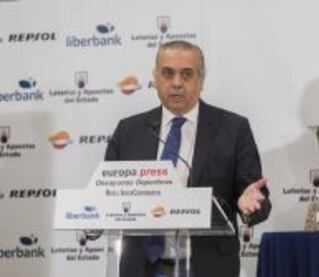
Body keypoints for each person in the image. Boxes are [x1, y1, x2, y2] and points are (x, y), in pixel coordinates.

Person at [105, 40, 271, 277]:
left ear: (201, 80)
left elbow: (258, 197)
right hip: (140, 266)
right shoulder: (128, 130)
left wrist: (249, 207)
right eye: (167, 73)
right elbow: (107, 196)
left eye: (186, 74)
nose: (176, 83)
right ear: (155, 77)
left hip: (208, 266)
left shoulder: (233, 129)